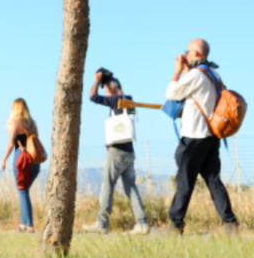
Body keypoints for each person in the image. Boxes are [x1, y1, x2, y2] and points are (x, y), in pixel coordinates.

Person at [164, 39, 239, 235]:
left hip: (194, 136)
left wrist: (177, 71)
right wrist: (188, 70)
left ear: (196, 54)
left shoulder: (197, 75)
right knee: (213, 180)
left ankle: (176, 224)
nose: (185, 55)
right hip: (211, 136)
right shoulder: (214, 74)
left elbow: (172, 93)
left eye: (187, 52)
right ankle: (230, 223)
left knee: (184, 181)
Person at [82, 71, 150, 235]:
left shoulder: (114, 100)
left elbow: (92, 97)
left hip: (117, 150)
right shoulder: (130, 101)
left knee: (107, 185)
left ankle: (102, 223)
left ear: (112, 88)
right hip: (129, 150)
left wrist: (97, 81)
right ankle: (142, 223)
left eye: (106, 89)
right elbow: (132, 118)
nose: (105, 92)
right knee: (130, 188)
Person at [0, 98, 41, 233]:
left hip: (21, 159)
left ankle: (28, 225)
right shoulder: (32, 123)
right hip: (34, 161)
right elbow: (35, 141)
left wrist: (4, 159)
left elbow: (11, 144)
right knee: (24, 192)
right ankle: (23, 224)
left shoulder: (15, 123)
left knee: (22, 192)